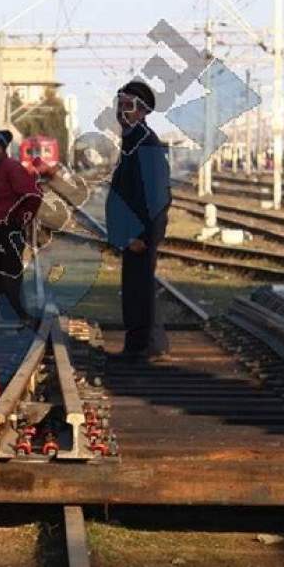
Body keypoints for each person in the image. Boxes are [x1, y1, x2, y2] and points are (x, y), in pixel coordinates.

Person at [106, 80, 172, 361]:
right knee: (134, 288)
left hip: (140, 236)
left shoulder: (146, 142)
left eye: (129, 107)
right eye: (120, 106)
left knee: (140, 289)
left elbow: (157, 196)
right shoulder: (132, 142)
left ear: (142, 111)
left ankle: (144, 346)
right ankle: (140, 344)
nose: (123, 112)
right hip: (131, 235)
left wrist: (144, 237)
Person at [0, 130, 43, 324]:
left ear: (1, 148)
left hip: (12, 226)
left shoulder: (11, 168)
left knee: (11, 271)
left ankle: (18, 312)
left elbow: (32, 196)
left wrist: (21, 219)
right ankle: (7, 313)